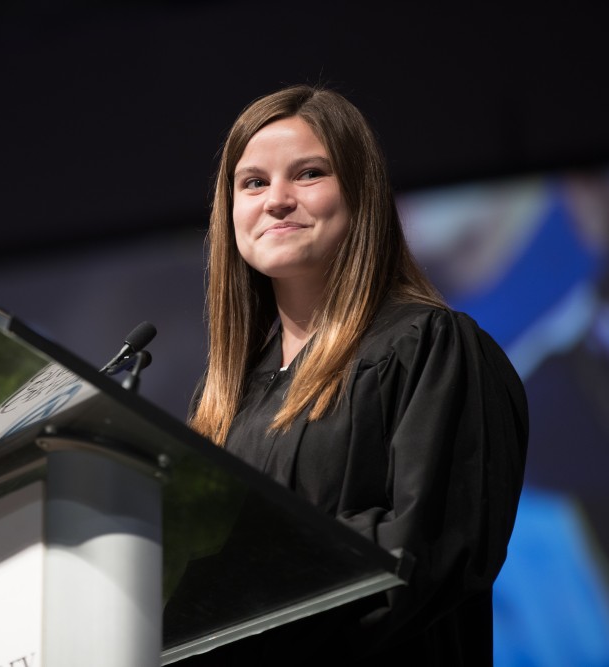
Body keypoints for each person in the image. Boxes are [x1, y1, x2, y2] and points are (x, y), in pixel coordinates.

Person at [183, 85, 529, 664]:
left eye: (310, 173)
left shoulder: (428, 347)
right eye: (253, 182)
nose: (277, 200)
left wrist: (247, 597)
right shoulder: (227, 401)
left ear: (361, 193)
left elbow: (424, 552)